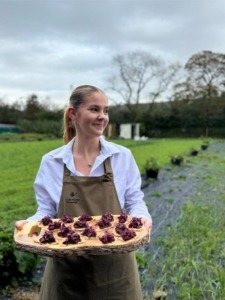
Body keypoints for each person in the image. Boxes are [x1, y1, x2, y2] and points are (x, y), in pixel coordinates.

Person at [15, 84, 152, 300]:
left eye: (106, 110)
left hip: (116, 275)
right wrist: (30, 224)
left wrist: (142, 218)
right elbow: (46, 212)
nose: (103, 117)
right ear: (73, 114)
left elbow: (135, 202)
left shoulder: (122, 157)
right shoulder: (52, 162)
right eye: (95, 109)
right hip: (67, 277)